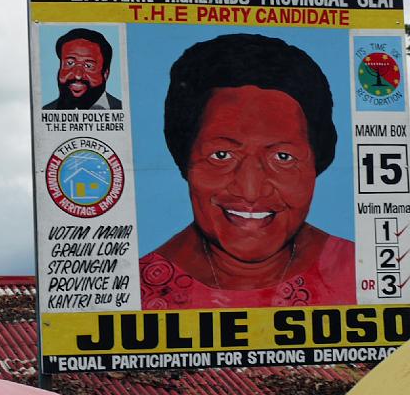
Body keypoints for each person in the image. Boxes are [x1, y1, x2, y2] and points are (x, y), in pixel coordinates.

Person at [140, 33, 355, 309]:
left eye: (283, 157)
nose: (251, 190)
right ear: (185, 158)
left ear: (317, 161)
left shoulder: (362, 273)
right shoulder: (139, 290)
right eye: (222, 155)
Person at [43, 28, 123, 110]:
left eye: (88, 66)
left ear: (106, 74)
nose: (78, 75)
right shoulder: (45, 111)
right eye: (70, 63)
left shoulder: (124, 110)